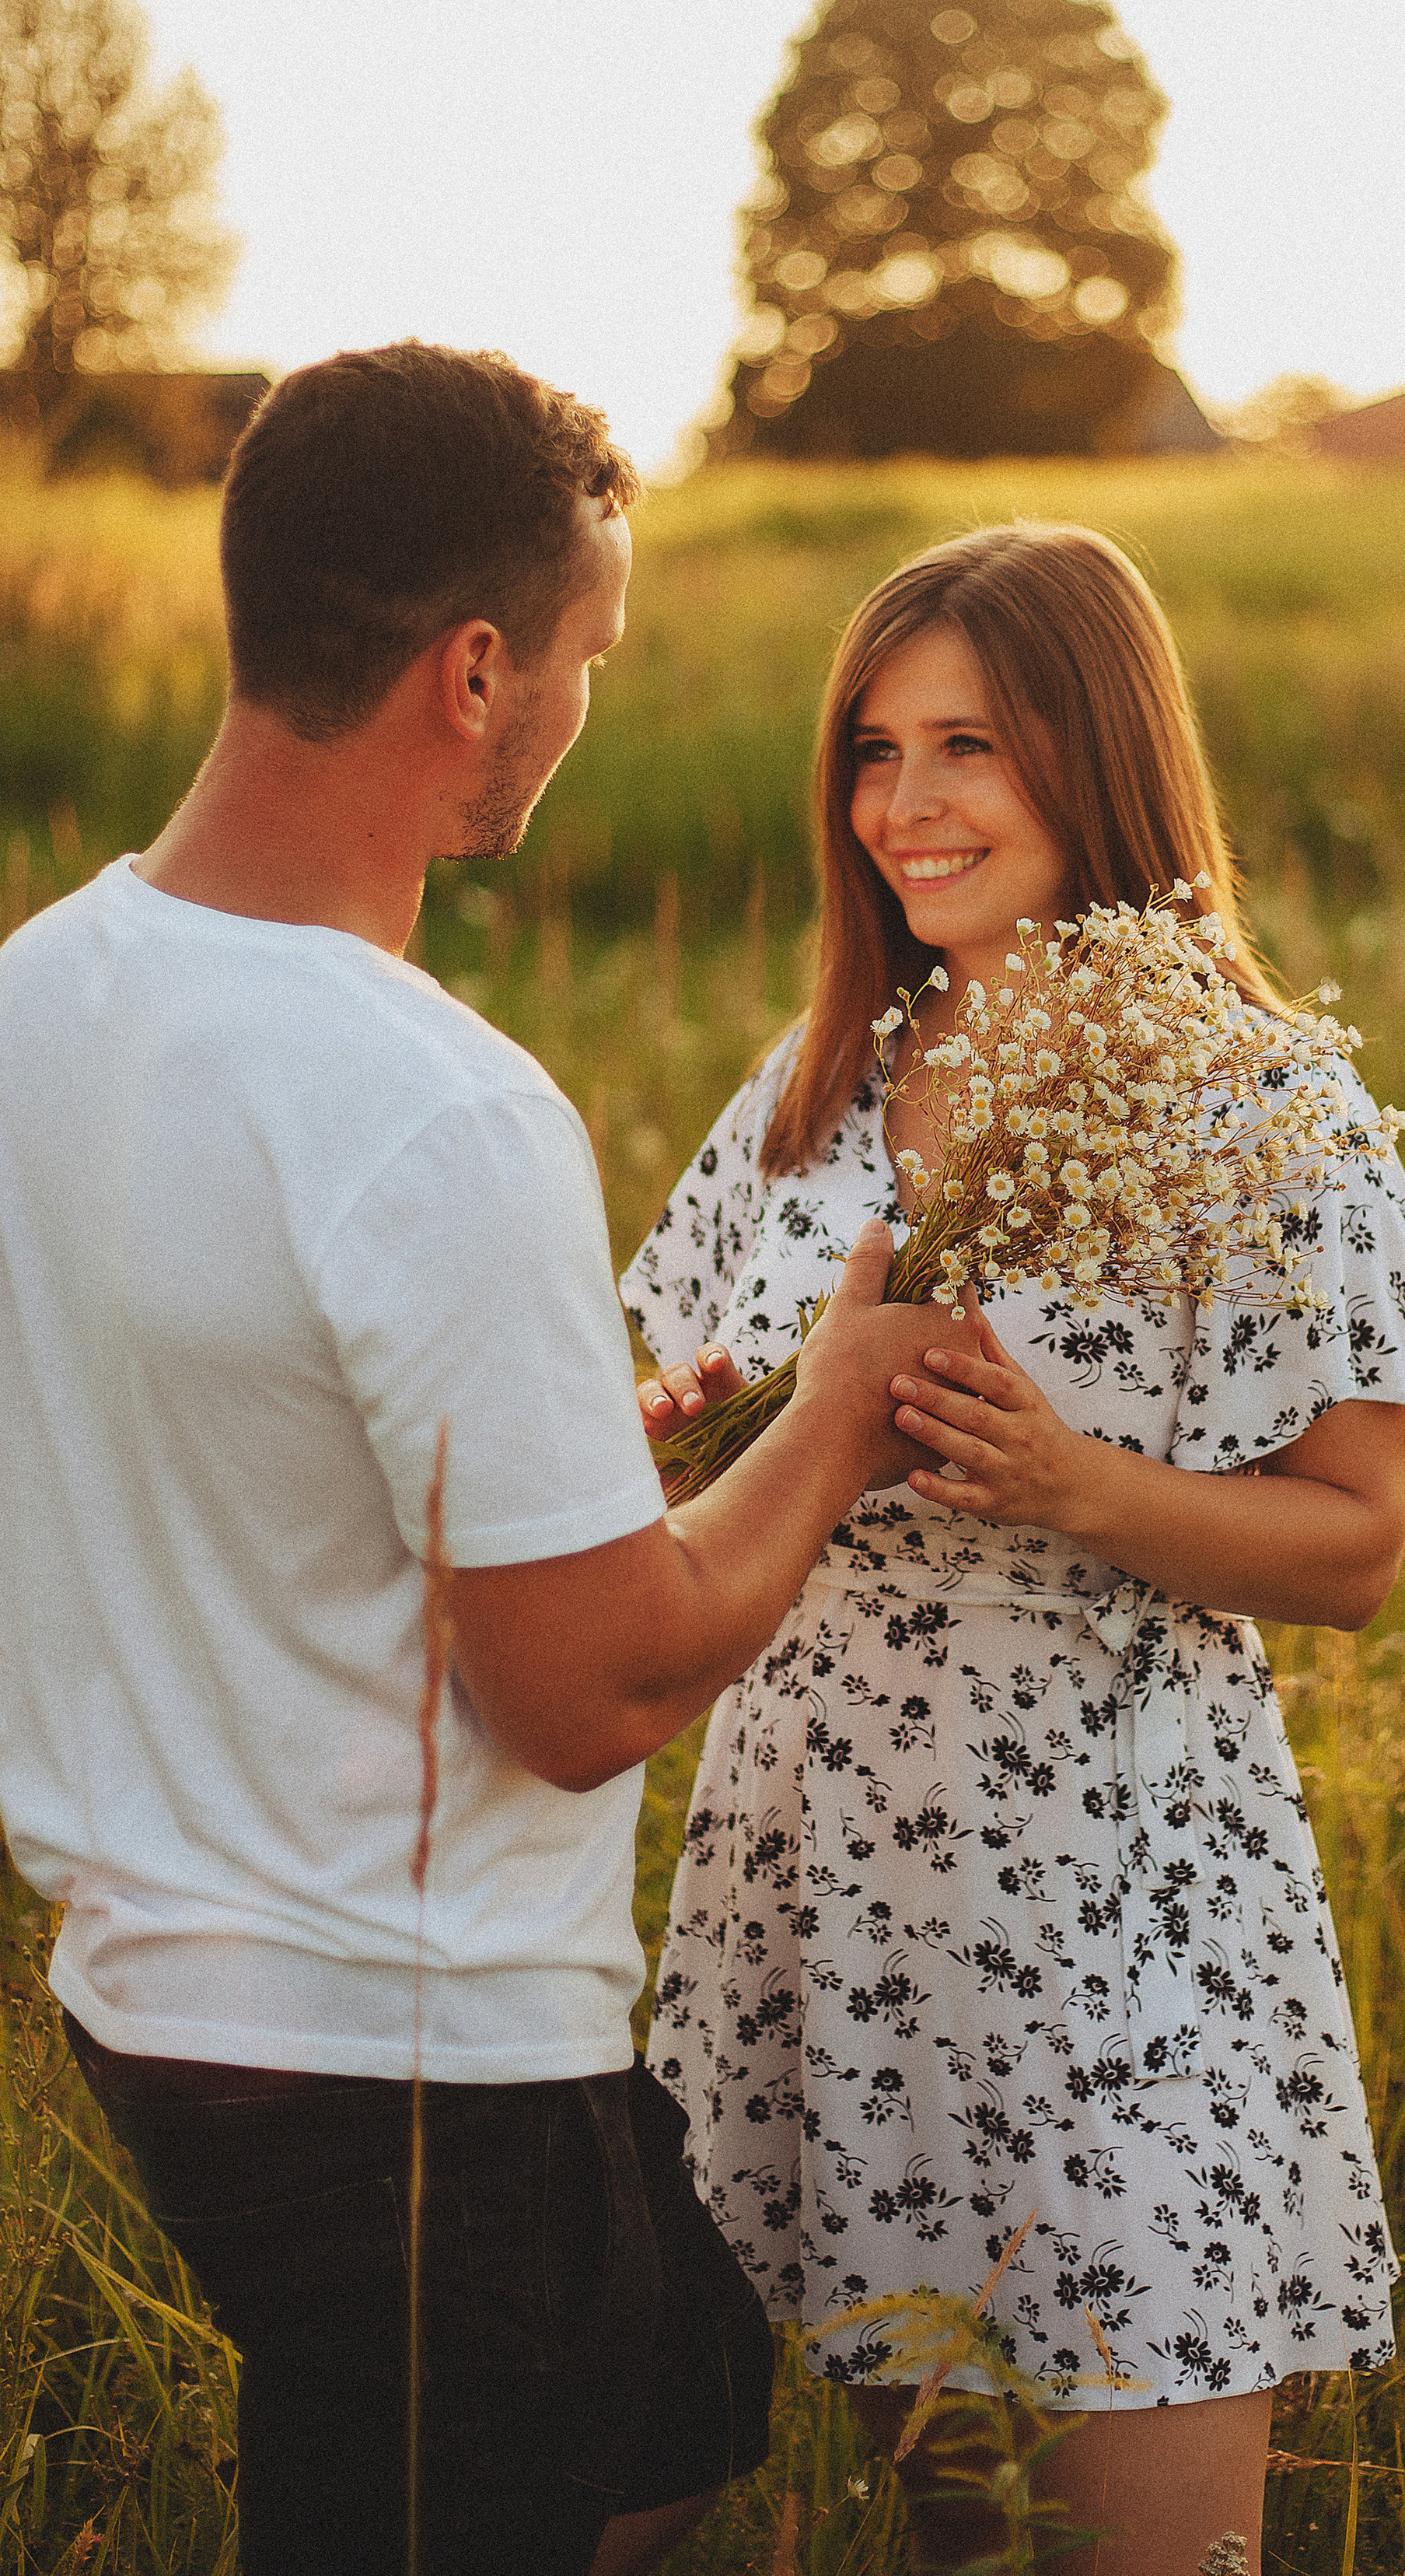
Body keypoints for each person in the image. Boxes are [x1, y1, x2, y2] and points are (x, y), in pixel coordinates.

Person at [0, 341, 944, 2576]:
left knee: (674, 2407)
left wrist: (543, 1475)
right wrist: (833, 1415)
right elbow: (586, 1689)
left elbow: (169, 1410)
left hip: (162, 1983)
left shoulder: (41, 995)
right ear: (478, 668)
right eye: (592, 659)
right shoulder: (438, 1108)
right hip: (398, 2042)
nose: (589, 708)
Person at [624, 523, 1405, 2576]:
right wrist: (681, 1433)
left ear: (1097, 758)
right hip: (818, 1888)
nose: (906, 807)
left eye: (971, 748)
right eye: (873, 750)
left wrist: (1079, 1486)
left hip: (1114, 1918)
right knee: (947, 2532)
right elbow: (673, 1385)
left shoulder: (1262, 1100)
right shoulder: (824, 1075)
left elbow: (1359, 1544)